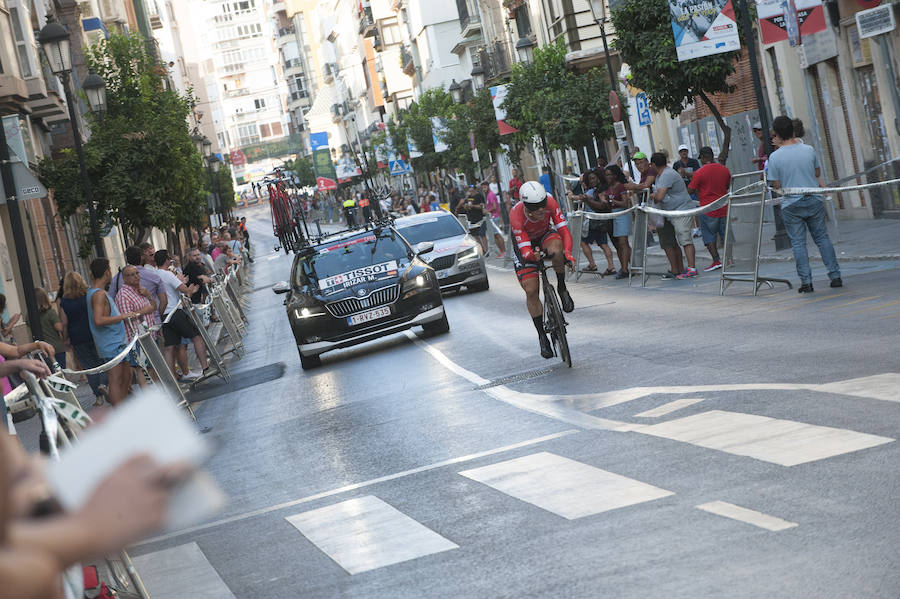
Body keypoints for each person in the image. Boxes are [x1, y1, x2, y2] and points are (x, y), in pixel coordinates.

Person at [766, 116, 841, 293]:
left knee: (799, 243)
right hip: (813, 199)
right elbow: (817, 172)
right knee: (822, 238)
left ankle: (806, 282)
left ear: (777, 134)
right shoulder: (808, 150)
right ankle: (835, 275)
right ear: (792, 130)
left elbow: (776, 185)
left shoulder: (775, 157)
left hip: (791, 203)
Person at [509, 181, 575, 359]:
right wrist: (532, 256)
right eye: (534, 207)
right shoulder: (515, 214)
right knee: (531, 289)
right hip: (525, 243)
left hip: (546, 234)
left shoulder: (551, 202)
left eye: (542, 205)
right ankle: (541, 335)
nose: (540, 210)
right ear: (525, 206)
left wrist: (568, 254)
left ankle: (562, 287)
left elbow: (564, 231)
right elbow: (525, 250)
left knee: (557, 250)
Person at [87, 258, 139, 406]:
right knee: (116, 379)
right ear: (107, 272)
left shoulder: (99, 293)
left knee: (127, 376)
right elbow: (98, 320)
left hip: (117, 342)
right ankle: (119, 412)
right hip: (111, 343)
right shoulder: (98, 294)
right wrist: (123, 316)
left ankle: (122, 407)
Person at [154, 250, 210, 380]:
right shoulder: (168, 274)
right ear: (167, 260)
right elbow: (185, 290)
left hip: (165, 315)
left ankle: (171, 377)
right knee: (196, 337)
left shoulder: (156, 274)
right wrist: (190, 287)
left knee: (169, 347)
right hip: (175, 311)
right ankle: (205, 366)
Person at [59, 272, 109, 406]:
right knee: (102, 362)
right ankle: (104, 384)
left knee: (88, 367)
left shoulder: (64, 302)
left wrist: (65, 339)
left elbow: (64, 324)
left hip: (77, 338)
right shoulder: (89, 296)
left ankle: (98, 397)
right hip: (94, 333)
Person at [650, 152, 697, 279]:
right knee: (679, 239)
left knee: (684, 238)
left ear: (653, 164)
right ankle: (681, 269)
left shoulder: (666, 175)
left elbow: (659, 196)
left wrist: (654, 196)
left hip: (682, 210)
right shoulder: (661, 176)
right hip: (673, 211)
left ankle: (692, 268)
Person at [114, 265, 158, 389]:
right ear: (124, 279)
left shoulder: (141, 290)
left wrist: (148, 295)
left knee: (152, 366)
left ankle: (157, 395)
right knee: (142, 368)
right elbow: (128, 317)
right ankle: (148, 399)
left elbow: (154, 307)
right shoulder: (123, 295)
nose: (136, 277)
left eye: (137, 273)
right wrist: (145, 310)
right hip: (137, 338)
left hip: (149, 334)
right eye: (131, 275)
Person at [689, 146, 731, 271]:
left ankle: (716, 260)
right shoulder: (724, 169)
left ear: (702, 158)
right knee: (726, 234)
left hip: (707, 209)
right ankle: (729, 259)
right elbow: (727, 185)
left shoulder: (699, 173)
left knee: (709, 237)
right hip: (723, 206)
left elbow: (691, 189)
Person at [573, 169, 615, 275]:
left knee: (583, 241)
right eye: (589, 179)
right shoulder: (598, 190)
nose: (591, 181)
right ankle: (611, 266)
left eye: (593, 178)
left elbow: (584, 198)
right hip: (601, 220)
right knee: (603, 243)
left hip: (594, 221)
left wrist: (573, 196)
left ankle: (592, 264)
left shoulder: (594, 191)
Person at [604, 164, 632, 279]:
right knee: (621, 243)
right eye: (606, 175)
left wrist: (611, 200)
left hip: (622, 214)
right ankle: (629, 265)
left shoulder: (620, 186)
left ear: (615, 175)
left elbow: (625, 203)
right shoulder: (608, 188)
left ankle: (625, 269)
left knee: (623, 241)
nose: (607, 177)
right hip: (614, 214)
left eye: (609, 175)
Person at [480, 181, 507, 258]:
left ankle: (503, 251)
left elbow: (495, 207)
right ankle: (502, 252)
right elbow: (491, 205)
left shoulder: (490, 195)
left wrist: (487, 211)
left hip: (494, 217)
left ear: (488, 186)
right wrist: (485, 206)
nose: (484, 189)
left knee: (497, 235)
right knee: (495, 235)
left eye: (485, 187)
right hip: (492, 217)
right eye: (482, 188)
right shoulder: (488, 195)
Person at [456, 186, 487, 252]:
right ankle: (482, 249)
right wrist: (466, 207)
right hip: (471, 219)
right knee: (475, 235)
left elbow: (482, 206)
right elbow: (466, 207)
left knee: (482, 234)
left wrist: (473, 206)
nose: (470, 192)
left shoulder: (479, 196)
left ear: (475, 190)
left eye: (472, 191)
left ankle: (486, 250)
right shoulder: (468, 197)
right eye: (469, 191)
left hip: (479, 218)